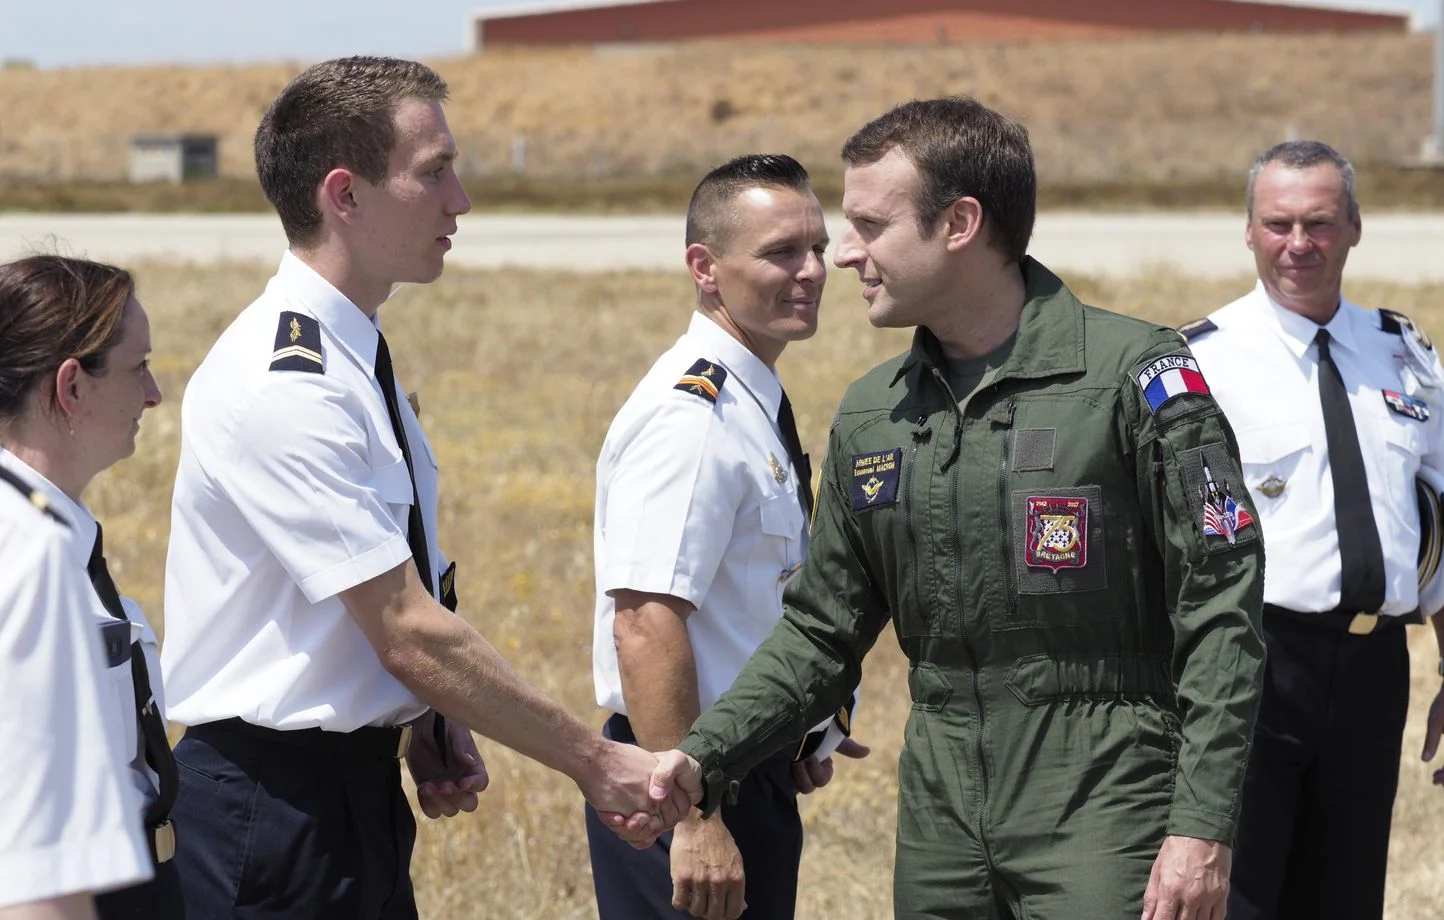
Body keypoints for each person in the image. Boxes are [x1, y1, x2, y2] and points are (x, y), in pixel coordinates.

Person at [647, 96, 1268, 919]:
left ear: (960, 223)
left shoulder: (1134, 377)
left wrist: (1201, 826)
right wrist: (700, 759)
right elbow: (819, 632)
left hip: (1109, 801)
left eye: (870, 225)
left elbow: (1222, 613)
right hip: (943, 818)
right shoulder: (877, 412)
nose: (845, 255)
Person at [159, 55, 695, 919]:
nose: (462, 202)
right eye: (434, 173)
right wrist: (598, 764)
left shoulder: (350, 355)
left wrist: (418, 717)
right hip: (271, 813)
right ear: (345, 195)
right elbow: (406, 627)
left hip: (344, 797)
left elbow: (378, 595)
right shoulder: (285, 380)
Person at [587, 153, 867, 920]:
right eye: (781, 252)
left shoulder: (747, 398)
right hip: (687, 783)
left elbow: (749, 600)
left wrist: (801, 728)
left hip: (741, 767)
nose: (811, 270)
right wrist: (695, 817)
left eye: (816, 247)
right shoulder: (694, 420)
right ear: (705, 268)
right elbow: (644, 622)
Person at [1182, 139, 1444, 920]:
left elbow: (1436, 529)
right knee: (1240, 896)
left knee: (1346, 896)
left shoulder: (1406, 357)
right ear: (1250, 230)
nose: (1299, 244)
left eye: (1320, 223)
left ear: (1356, 227)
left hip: (1372, 669)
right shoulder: (1204, 364)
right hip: (1251, 664)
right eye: (1279, 224)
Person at [0, 255, 163, 919]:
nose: (153, 394)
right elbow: (39, 863)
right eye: (138, 367)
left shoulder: (53, 531)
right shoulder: (29, 552)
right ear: (71, 387)